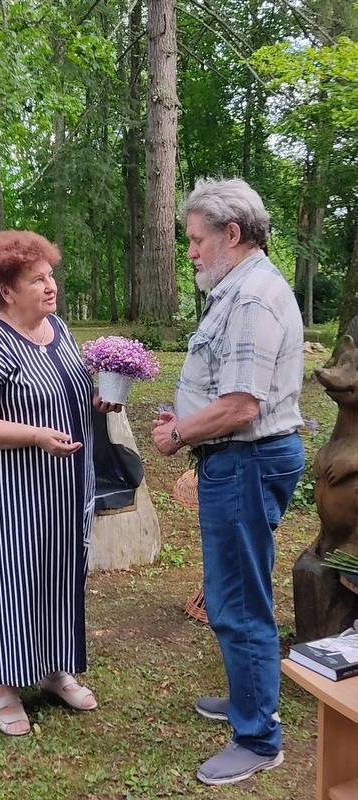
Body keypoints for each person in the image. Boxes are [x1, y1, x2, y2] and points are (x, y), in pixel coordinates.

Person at [152, 178, 305, 785]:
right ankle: (249, 698)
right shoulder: (240, 289)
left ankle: (258, 738)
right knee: (235, 592)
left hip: (247, 460)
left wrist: (179, 433)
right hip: (242, 459)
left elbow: (241, 406)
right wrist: (189, 418)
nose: (189, 251)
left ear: (231, 233)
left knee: (238, 601)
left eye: (195, 239)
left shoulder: (251, 299)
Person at [0, 230, 120, 736]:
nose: (51, 286)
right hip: (5, 490)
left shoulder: (59, 329)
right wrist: (36, 436)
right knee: (8, 580)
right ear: (6, 290)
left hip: (65, 487)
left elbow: (69, 394)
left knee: (59, 574)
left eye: (50, 276)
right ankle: (1, 685)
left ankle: (53, 668)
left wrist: (99, 400)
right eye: (36, 280)